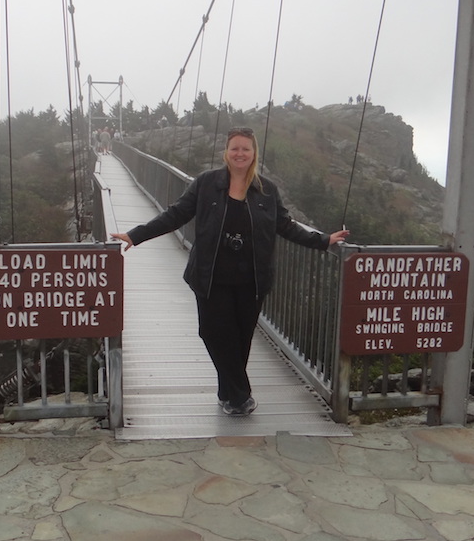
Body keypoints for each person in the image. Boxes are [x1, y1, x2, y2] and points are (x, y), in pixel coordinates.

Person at [111, 127, 349, 416]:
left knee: (240, 339)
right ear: (226, 152)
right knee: (212, 333)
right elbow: (175, 215)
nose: (239, 154)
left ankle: (228, 394)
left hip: (252, 280)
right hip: (211, 275)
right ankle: (241, 395)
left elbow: (285, 225)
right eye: (234, 148)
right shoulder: (206, 183)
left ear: (254, 153)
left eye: (245, 149)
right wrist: (136, 235)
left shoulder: (267, 190)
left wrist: (323, 240)